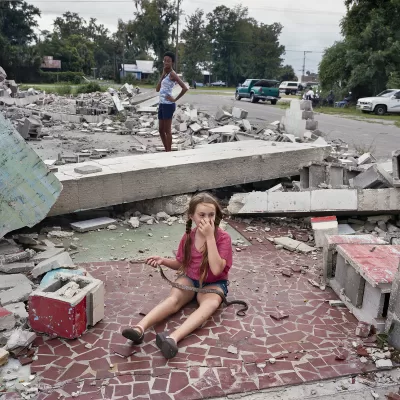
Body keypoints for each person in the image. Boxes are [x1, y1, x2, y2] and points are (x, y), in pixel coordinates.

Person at [122, 192, 233, 359]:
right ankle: (139, 329)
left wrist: (210, 236)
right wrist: (163, 261)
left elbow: (217, 269)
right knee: (173, 300)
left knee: (208, 306)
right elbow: (182, 264)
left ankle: (173, 339)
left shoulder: (223, 238)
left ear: (216, 216)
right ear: (192, 216)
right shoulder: (189, 236)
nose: (207, 219)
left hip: (213, 283)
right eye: (201, 215)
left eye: (211, 215)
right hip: (190, 279)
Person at [156, 51, 188, 152]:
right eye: (164, 60)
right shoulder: (165, 73)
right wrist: (162, 75)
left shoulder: (172, 74)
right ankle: (167, 150)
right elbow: (157, 89)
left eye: (168, 61)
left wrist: (175, 99)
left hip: (168, 105)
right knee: (161, 130)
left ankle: (169, 153)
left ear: (172, 62)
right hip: (162, 104)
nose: (166, 63)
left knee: (167, 131)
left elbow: (184, 88)